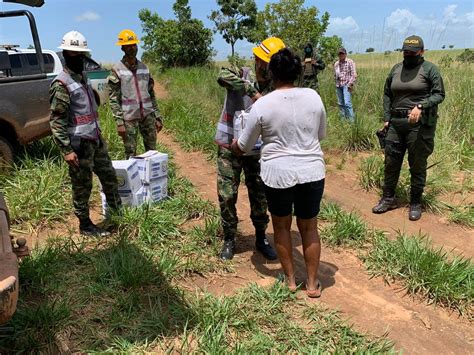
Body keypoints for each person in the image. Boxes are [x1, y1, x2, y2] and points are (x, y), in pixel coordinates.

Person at [231, 48, 327, 298]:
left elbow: (244, 146)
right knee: (309, 228)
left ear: (271, 73)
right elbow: (320, 135)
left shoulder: (262, 103)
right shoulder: (314, 97)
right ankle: (314, 284)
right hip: (312, 171)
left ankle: (291, 281)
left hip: (278, 174)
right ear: (297, 72)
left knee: (282, 226)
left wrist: (233, 145)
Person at [215, 37, 286, 261]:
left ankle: (261, 237)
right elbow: (222, 75)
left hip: (257, 152)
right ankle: (229, 238)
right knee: (227, 195)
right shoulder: (242, 72)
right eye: (263, 62)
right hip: (229, 146)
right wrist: (252, 92)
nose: (264, 67)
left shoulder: (277, 87)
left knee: (260, 196)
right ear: (257, 59)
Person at [49, 31, 121, 236]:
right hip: (78, 147)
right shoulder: (61, 84)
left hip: (95, 141)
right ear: (65, 55)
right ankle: (85, 224)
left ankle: (117, 215)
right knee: (82, 187)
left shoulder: (82, 78)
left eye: (81, 54)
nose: (80, 58)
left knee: (109, 176)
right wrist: (66, 150)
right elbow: (56, 121)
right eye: (74, 54)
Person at [372, 35, 445, 221]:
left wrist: (421, 106)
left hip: (418, 126)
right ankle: (388, 198)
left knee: (417, 163)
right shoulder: (396, 69)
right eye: (405, 51)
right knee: (391, 162)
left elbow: (439, 94)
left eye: (412, 52)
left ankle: (415, 203)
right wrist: (387, 118)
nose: (408, 54)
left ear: (422, 51)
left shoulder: (429, 70)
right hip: (396, 124)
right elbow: (387, 93)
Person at [107, 29, 163, 159]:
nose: (132, 48)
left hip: (148, 116)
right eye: (129, 46)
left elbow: (151, 95)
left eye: (134, 45)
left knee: (152, 152)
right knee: (131, 154)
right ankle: (133, 179)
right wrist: (119, 123)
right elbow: (113, 99)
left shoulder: (144, 68)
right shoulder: (117, 70)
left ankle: (151, 178)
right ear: (122, 48)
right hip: (129, 119)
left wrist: (157, 116)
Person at [334, 47, 357, 121]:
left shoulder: (350, 62)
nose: (341, 55)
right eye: (339, 54)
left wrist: (350, 84)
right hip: (338, 85)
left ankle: (351, 121)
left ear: (345, 54)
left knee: (347, 103)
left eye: (342, 53)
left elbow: (354, 74)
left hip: (346, 84)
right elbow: (336, 74)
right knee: (340, 103)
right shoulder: (337, 63)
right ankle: (343, 120)